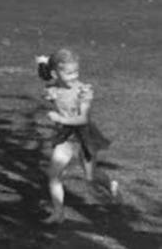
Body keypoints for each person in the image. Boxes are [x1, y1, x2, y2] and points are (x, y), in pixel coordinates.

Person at [37, 48, 119, 223]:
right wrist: (42, 67)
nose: (74, 76)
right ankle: (58, 214)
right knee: (54, 174)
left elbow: (83, 118)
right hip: (65, 137)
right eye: (68, 73)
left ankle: (110, 184)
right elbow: (45, 77)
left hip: (84, 137)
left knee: (90, 176)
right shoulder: (52, 88)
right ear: (55, 73)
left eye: (76, 72)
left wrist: (59, 118)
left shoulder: (84, 90)